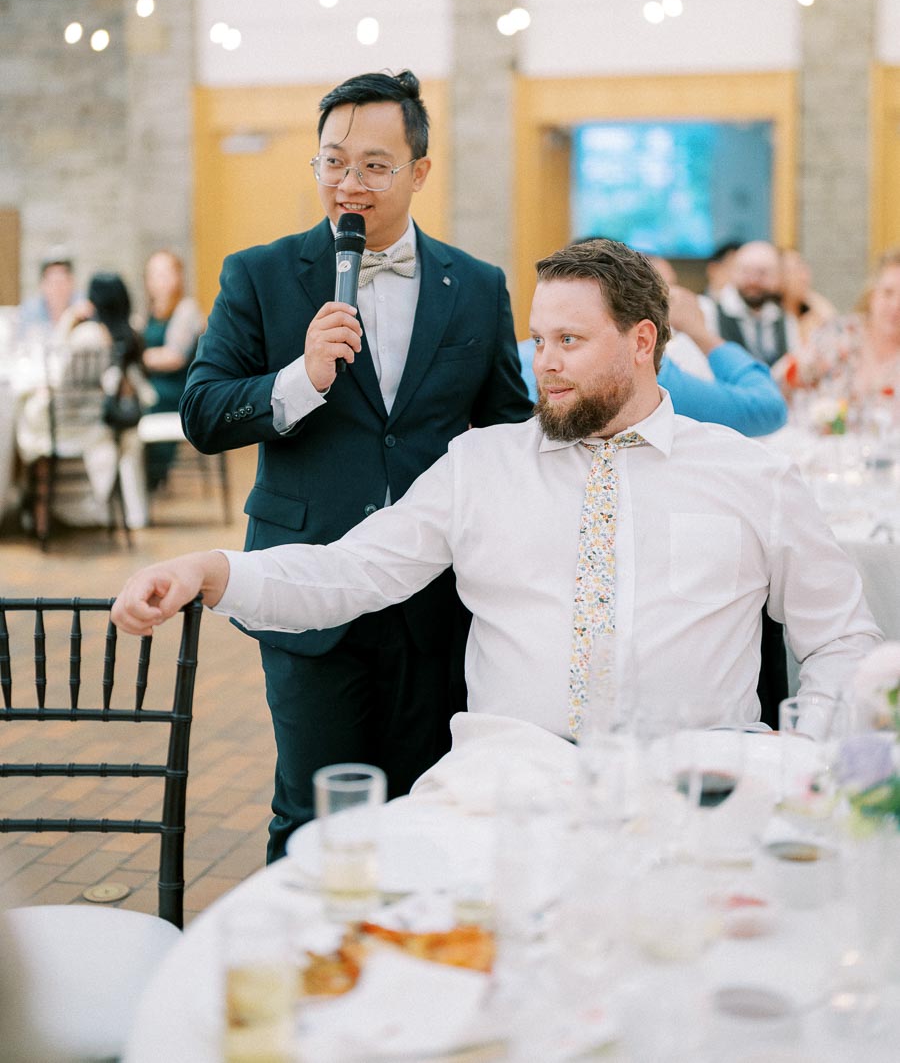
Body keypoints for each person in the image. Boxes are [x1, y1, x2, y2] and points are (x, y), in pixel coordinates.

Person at [114, 240, 879, 743]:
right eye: (539, 339)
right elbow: (346, 573)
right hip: (507, 795)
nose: (544, 362)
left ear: (642, 342)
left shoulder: (752, 476)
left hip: (699, 797)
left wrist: (805, 755)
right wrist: (211, 570)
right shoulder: (481, 467)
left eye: (570, 342)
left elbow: (842, 640)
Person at [179, 69, 531, 857]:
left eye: (375, 164)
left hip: (433, 598)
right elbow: (202, 413)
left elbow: (508, 433)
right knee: (314, 820)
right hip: (305, 587)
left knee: (427, 813)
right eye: (333, 161)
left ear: (419, 172)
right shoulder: (261, 273)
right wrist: (297, 380)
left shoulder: (475, 287)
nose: (350, 183)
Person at [518, 252, 787, 437]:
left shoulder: (517, 354)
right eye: (665, 294)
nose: (545, 365)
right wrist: (700, 333)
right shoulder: (639, 374)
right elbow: (766, 409)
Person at [17, 273, 154, 532]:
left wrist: (69, 319)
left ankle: (30, 510)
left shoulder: (87, 336)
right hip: (101, 426)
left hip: (70, 425)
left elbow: (58, 374)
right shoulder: (127, 333)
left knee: (24, 419)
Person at [776, 247, 900, 414]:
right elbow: (778, 381)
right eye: (888, 293)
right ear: (872, 295)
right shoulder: (839, 334)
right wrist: (800, 374)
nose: (896, 305)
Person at [139, 249, 205, 490]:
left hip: (177, 387)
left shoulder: (186, 310)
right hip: (155, 383)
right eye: (153, 274)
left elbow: (174, 357)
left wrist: (138, 358)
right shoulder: (150, 313)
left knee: (139, 403)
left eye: (164, 273)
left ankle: (146, 478)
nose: (159, 280)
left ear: (178, 276)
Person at [702, 239, 799, 366]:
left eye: (762, 273)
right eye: (746, 272)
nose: (753, 281)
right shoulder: (710, 312)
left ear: (777, 278)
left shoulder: (785, 319)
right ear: (734, 273)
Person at [778, 248, 837, 347]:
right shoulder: (773, 320)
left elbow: (835, 328)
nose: (804, 275)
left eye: (804, 267)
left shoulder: (813, 315)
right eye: (795, 270)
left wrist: (810, 297)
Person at [16, 250, 79, 339]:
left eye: (62, 281)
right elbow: (23, 341)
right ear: (42, 285)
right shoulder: (30, 311)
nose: (58, 288)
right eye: (53, 282)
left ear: (72, 282)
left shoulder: (82, 308)